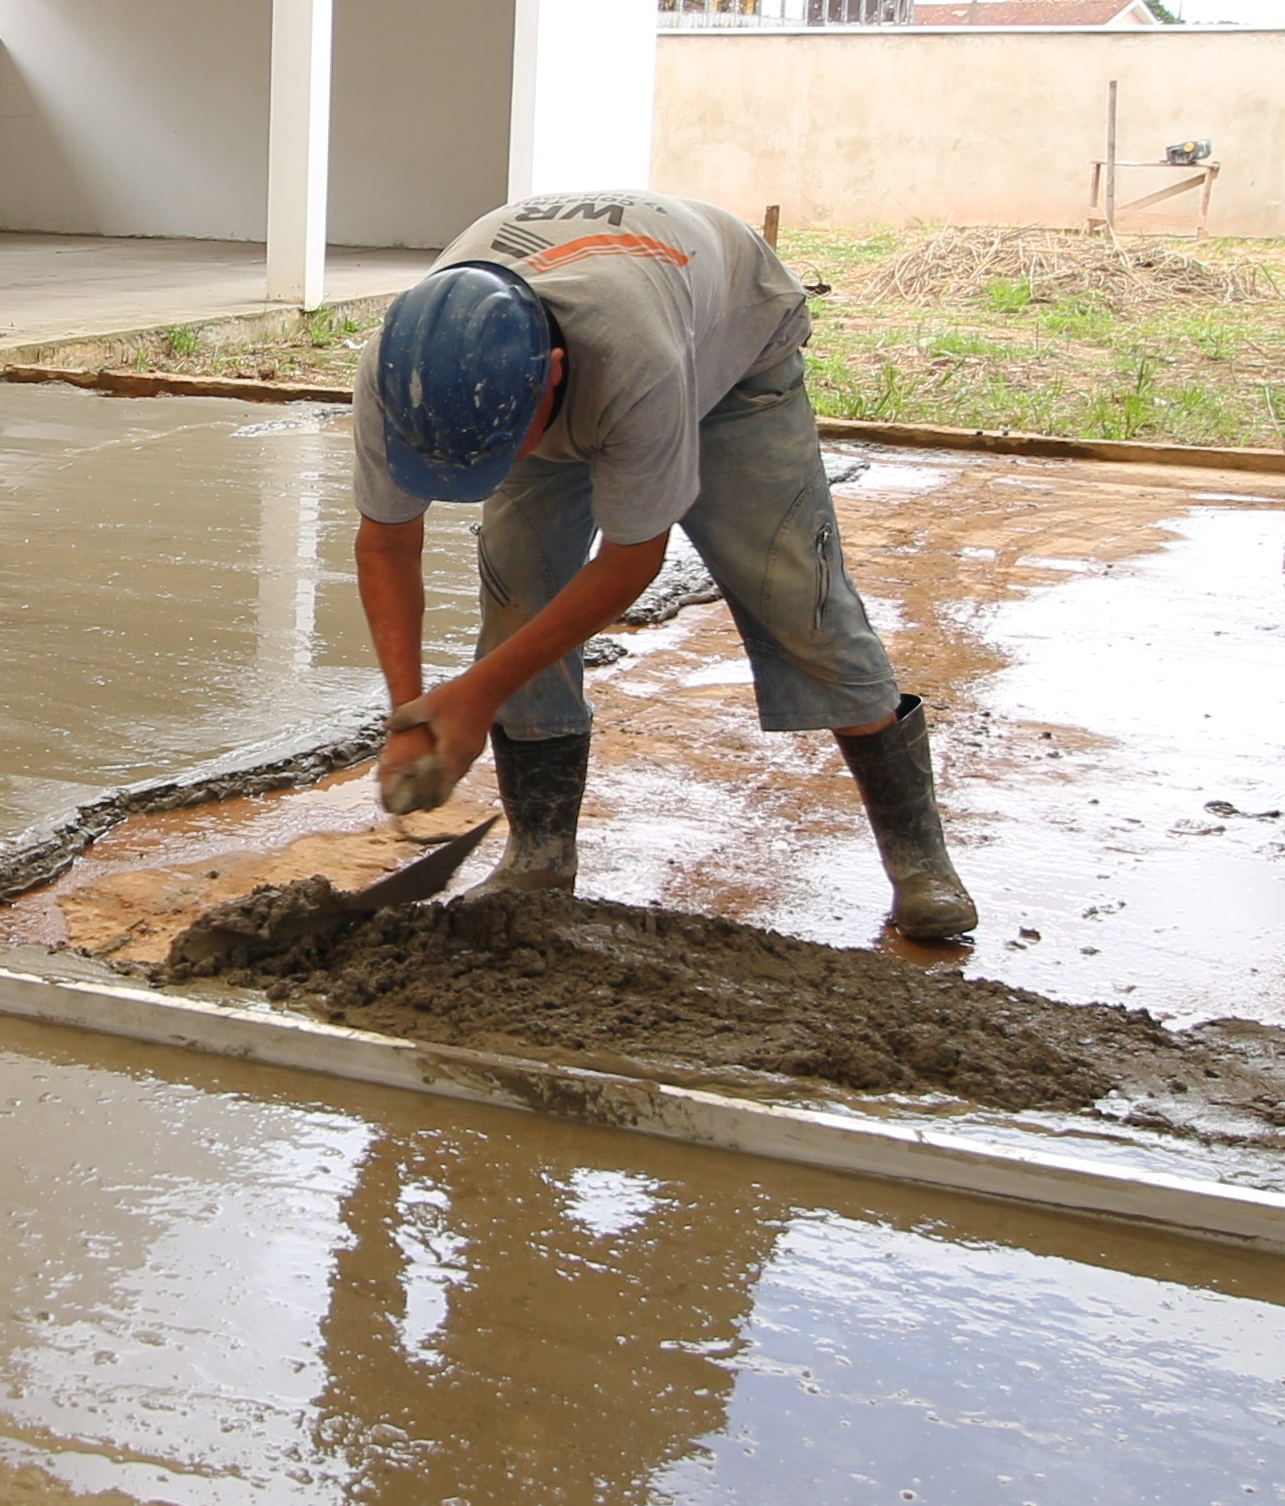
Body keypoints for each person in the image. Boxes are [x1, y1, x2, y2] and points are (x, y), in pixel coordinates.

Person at [349, 192, 975, 945]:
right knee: (518, 597)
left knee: (797, 601)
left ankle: (921, 865)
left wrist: (477, 696)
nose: (495, 470)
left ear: (549, 377)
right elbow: (386, 540)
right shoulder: (409, 375)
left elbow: (631, 559)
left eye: (503, 449)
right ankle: (540, 859)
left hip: (731, 350)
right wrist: (411, 713)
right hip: (562, 370)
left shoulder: (631, 356)